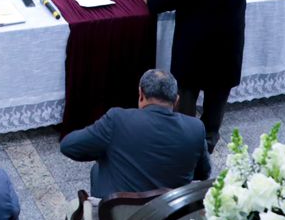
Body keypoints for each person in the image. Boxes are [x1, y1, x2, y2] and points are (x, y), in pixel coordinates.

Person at [135, 0, 251, 150]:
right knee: (218, 94)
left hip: (197, 46)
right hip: (228, 43)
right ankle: (209, 138)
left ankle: (184, 142)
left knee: (187, 94)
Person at [59, 69, 211, 201]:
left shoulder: (117, 119)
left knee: (97, 170)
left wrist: (104, 153)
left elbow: (68, 146)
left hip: (121, 215)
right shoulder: (196, 128)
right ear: (176, 100)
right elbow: (203, 173)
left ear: (140, 94)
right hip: (166, 213)